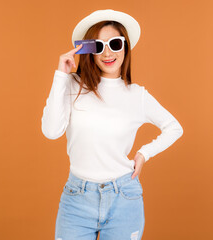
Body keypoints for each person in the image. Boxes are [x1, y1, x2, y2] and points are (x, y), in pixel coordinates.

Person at [41, 9, 183, 240]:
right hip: (77, 198)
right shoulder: (72, 85)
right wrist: (61, 76)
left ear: (125, 47)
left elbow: (174, 127)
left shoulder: (137, 95)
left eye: (115, 44)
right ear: (90, 51)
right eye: (99, 45)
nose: (108, 52)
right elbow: (50, 131)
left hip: (124, 198)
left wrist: (144, 153)